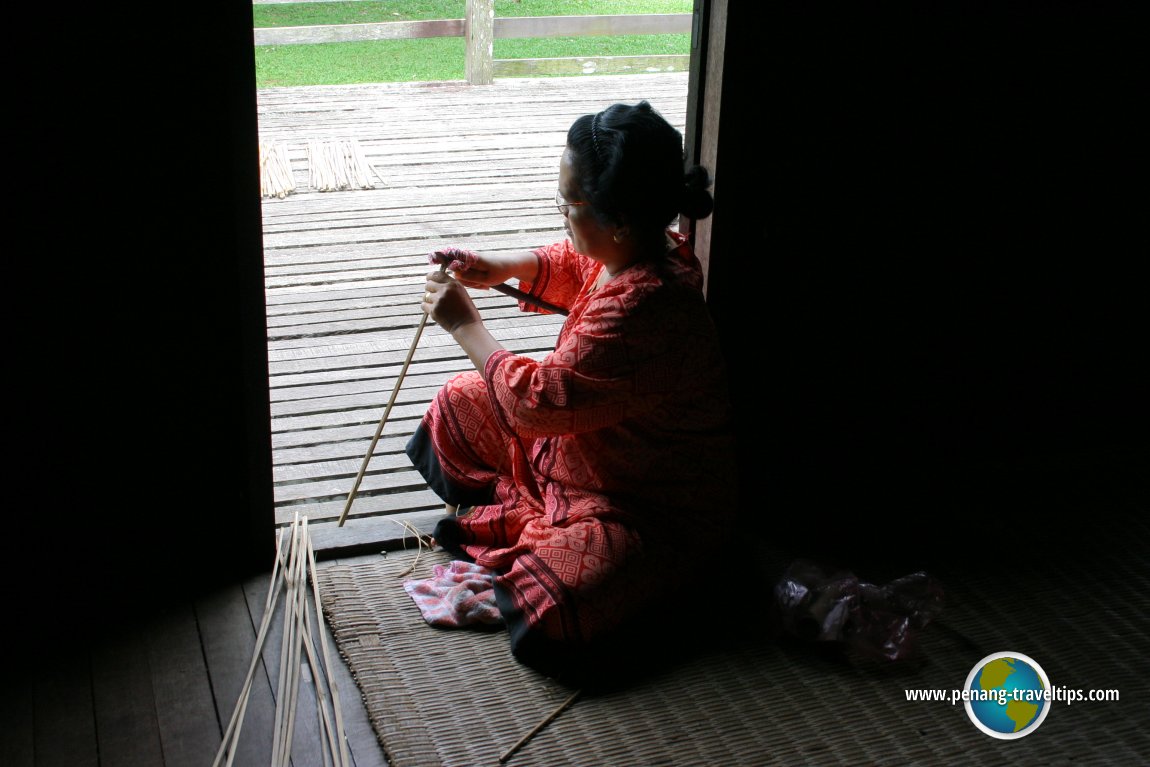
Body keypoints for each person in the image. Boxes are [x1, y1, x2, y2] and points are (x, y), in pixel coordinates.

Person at [408, 100, 738, 681]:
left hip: (641, 500)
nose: (561, 212)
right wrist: (503, 266)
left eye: (570, 203)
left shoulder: (652, 305)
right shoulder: (639, 248)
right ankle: (541, 512)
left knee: (565, 597)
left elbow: (537, 402)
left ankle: (647, 571)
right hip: (581, 454)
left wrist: (467, 327)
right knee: (459, 402)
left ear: (619, 220)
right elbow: (575, 262)